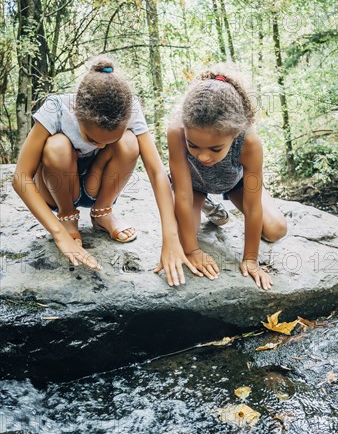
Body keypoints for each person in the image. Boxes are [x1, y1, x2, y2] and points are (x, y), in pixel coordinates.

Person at [13, 57, 198, 286]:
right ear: (76, 110)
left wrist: (170, 239)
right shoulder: (56, 107)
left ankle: (102, 213)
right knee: (57, 146)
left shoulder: (130, 107)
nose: (100, 146)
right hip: (57, 187)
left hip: (95, 185)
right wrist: (59, 234)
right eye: (92, 139)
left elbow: (157, 172)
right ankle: (67, 217)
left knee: (130, 143)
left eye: (108, 141)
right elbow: (21, 177)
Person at [167, 65, 287, 290]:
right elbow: (182, 195)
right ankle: (207, 204)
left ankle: (259, 192)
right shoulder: (176, 132)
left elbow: (252, 209)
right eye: (194, 145)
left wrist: (250, 259)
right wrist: (193, 251)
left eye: (215, 148)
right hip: (193, 186)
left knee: (275, 230)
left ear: (235, 133)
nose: (203, 155)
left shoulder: (249, 143)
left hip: (234, 184)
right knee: (187, 235)